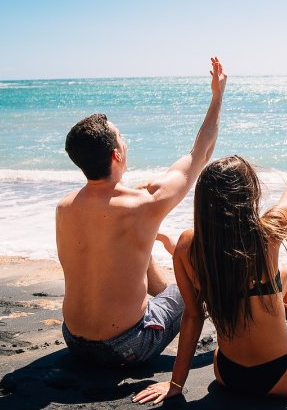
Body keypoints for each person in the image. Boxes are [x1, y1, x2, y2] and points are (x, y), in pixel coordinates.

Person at [132, 105, 287, 405]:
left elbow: (192, 316)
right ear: (249, 197)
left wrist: (176, 384)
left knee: (279, 277)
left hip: (227, 374)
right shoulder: (267, 234)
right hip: (284, 375)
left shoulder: (187, 245)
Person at [57, 57, 227, 370]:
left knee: (139, 242)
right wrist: (217, 98)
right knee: (198, 281)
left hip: (74, 341)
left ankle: (162, 294)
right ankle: (238, 333)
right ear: (116, 154)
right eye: (121, 135)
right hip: (126, 347)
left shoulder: (64, 207)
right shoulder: (142, 206)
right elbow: (200, 154)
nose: (126, 139)